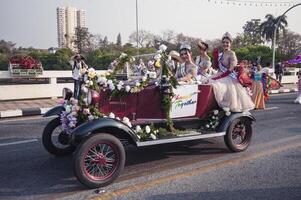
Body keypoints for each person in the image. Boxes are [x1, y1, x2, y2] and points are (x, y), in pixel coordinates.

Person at [210, 32, 254, 112]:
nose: (225, 44)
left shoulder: (232, 54)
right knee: (207, 84)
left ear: (230, 44)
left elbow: (231, 69)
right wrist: (215, 58)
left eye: (227, 42)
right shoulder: (221, 54)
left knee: (216, 86)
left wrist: (219, 77)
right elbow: (216, 67)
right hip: (219, 75)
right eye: (223, 42)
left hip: (228, 77)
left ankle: (223, 107)